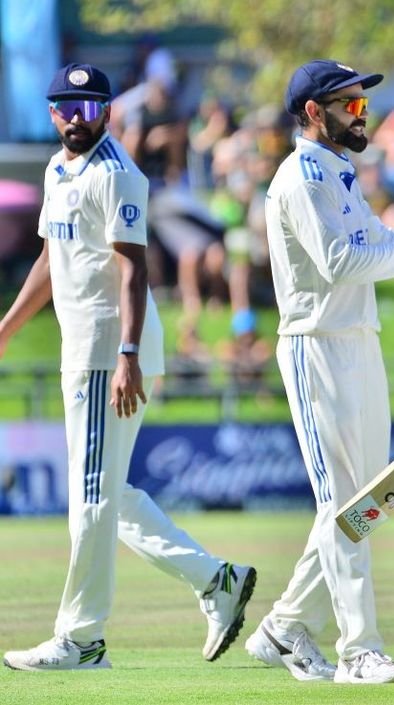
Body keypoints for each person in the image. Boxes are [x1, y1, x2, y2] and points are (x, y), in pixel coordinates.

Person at [0, 63, 256, 671]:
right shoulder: (59, 167)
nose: (77, 118)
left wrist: (128, 356)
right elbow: (50, 256)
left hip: (106, 349)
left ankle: (82, 637)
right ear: (53, 111)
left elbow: (133, 269)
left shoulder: (117, 173)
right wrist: (8, 326)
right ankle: (218, 580)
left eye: (89, 109)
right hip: (85, 347)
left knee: (91, 499)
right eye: (67, 107)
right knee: (108, 495)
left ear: (109, 112)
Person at [242, 59, 394, 684]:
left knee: (365, 503)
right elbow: (343, 261)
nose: (361, 114)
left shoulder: (339, 170)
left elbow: (370, 243)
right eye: (350, 105)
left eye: (363, 105)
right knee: (345, 504)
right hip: (316, 344)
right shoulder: (302, 176)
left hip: (356, 341)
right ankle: (358, 649)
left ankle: (286, 626)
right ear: (314, 112)